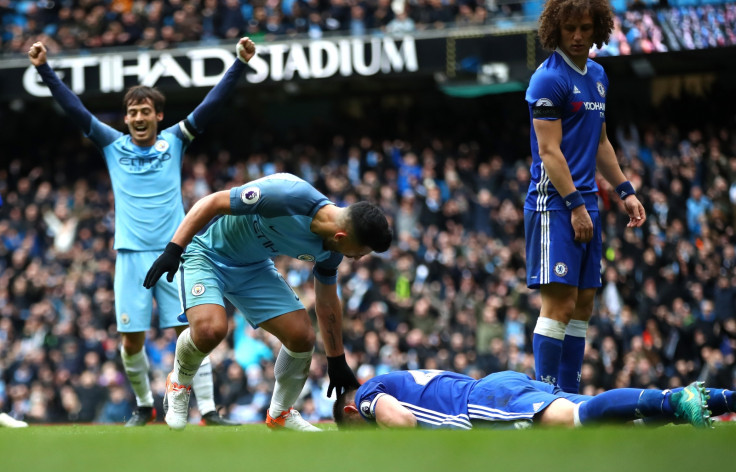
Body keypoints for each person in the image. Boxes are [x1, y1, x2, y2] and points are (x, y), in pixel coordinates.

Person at [28, 37, 258, 427]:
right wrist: (44, 70)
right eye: (132, 112)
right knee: (131, 340)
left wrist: (238, 63)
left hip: (176, 252)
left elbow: (211, 105)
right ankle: (144, 405)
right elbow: (74, 108)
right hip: (131, 257)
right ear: (126, 118)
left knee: (194, 332)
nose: (137, 118)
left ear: (158, 115)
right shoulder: (112, 145)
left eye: (145, 111)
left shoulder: (175, 140)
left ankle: (208, 410)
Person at [143, 172, 393, 431]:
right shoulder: (286, 195)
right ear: (342, 236)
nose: (357, 259)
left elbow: (328, 303)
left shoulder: (331, 251)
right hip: (207, 255)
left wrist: (336, 359)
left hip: (254, 268)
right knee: (210, 330)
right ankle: (179, 383)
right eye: (360, 253)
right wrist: (173, 249)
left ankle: (280, 414)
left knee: (302, 337)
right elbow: (212, 202)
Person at [523, 0, 646, 394]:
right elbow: (549, 152)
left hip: (587, 202)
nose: (577, 36)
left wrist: (624, 190)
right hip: (555, 204)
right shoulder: (547, 79)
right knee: (558, 305)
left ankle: (571, 399)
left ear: (598, 30)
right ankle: (544, 400)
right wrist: (576, 205)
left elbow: (601, 141)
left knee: (583, 306)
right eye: (570, 28)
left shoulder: (597, 75)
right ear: (555, 30)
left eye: (585, 28)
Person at [333, 369, 718, 429]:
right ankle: (723, 399)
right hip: (496, 385)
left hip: (482, 400)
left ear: (352, 411)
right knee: (612, 419)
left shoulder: (367, 394)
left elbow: (401, 421)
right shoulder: (394, 378)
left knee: (579, 417)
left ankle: (674, 398)